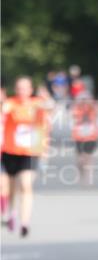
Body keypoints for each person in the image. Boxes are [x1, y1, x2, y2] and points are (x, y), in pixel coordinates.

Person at [1, 77, 50, 236]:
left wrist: (47, 98)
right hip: (10, 151)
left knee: (26, 185)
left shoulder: (37, 103)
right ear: (15, 89)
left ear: (30, 89)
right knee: (11, 188)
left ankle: (24, 223)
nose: (22, 91)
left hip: (30, 153)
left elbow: (50, 108)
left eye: (25, 88)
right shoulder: (11, 103)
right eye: (19, 88)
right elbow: (4, 109)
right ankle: (11, 213)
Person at [70, 90, 98, 185]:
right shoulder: (76, 108)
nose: (84, 101)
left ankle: (88, 176)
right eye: (82, 99)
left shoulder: (93, 108)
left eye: (86, 99)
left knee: (88, 157)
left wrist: (91, 104)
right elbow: (72, 114)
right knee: (80, 159)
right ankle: (81, 174)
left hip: (91, 136)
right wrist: (77, 104)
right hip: (79, 137)